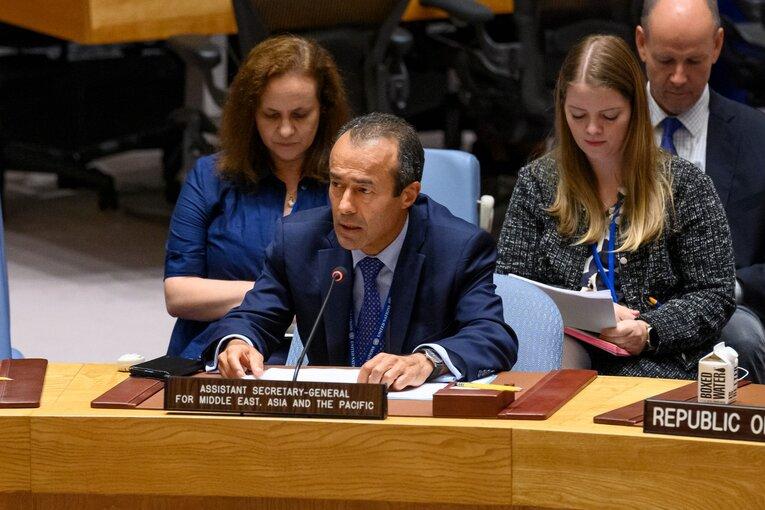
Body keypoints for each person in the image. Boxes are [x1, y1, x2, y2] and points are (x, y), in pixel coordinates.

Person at [183, 112, 518, 389]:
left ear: (408, 195)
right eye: (336, 184)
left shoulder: (457, 248)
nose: (343, 206)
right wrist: (239, 343)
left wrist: (426, 361)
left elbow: (491, 335)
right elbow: (256, 315)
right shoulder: (299, 240)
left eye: (363, 190)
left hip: (416, 422)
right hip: (330, 417)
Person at [497, 34, 736, 379]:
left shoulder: (684, 186)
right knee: (549, 370)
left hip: (653, 359)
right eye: (578, 115)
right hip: (559, 344)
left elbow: (715, 294)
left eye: (609, 116)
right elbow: (509, 285)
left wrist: (649, 330)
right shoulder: (538, 182)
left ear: (635, 111)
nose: (592, 129)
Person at [164, 35, 350, 358]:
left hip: (321, 354)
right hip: (216, 349)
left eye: (300, 115)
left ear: (324, 110)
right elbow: (178, 294)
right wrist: (279, 297)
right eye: (271, 115)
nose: (285, 130)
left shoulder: (349, 184)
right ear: (251, 113)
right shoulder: (209, 177)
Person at [636, 0, 765, 382]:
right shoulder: (603, 126)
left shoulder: (757, 138)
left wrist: (728, 288)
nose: (678, 77)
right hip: (622, 303)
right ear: (642, 44)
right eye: (665, 60)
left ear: (717, 45)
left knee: (742, 339)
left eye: (693, 61)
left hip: (727, 312)